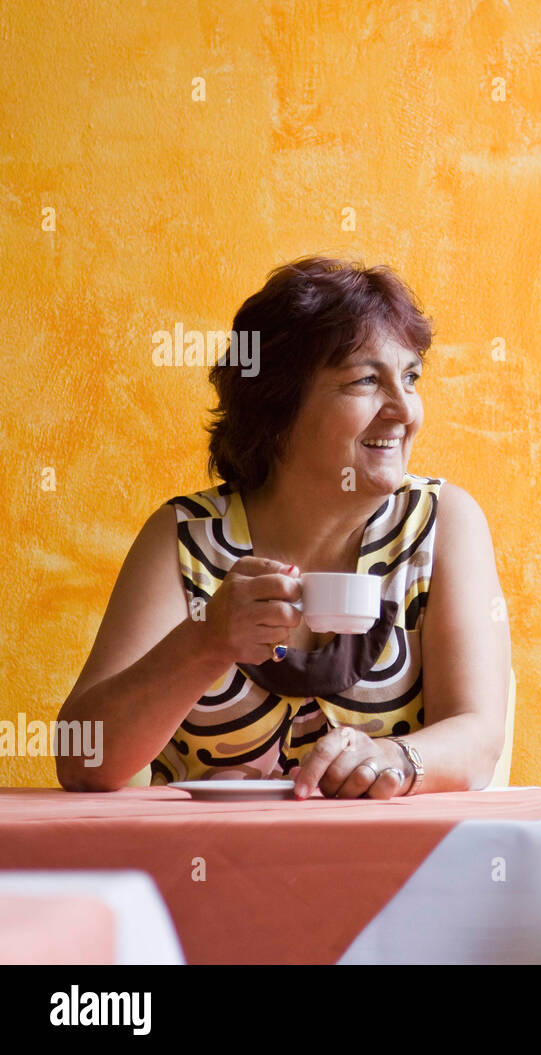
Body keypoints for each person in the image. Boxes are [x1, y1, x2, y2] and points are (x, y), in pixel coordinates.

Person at [56, 257, 510, 798]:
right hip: (202, 875)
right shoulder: (184, 537)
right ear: (279, 404)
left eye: (410, 377)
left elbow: (479, 738)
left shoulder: (444, 524)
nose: (403, 410)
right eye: (366, 380)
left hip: (391, 875)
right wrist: (205, 641)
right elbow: (84, 759)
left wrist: (397, 758)